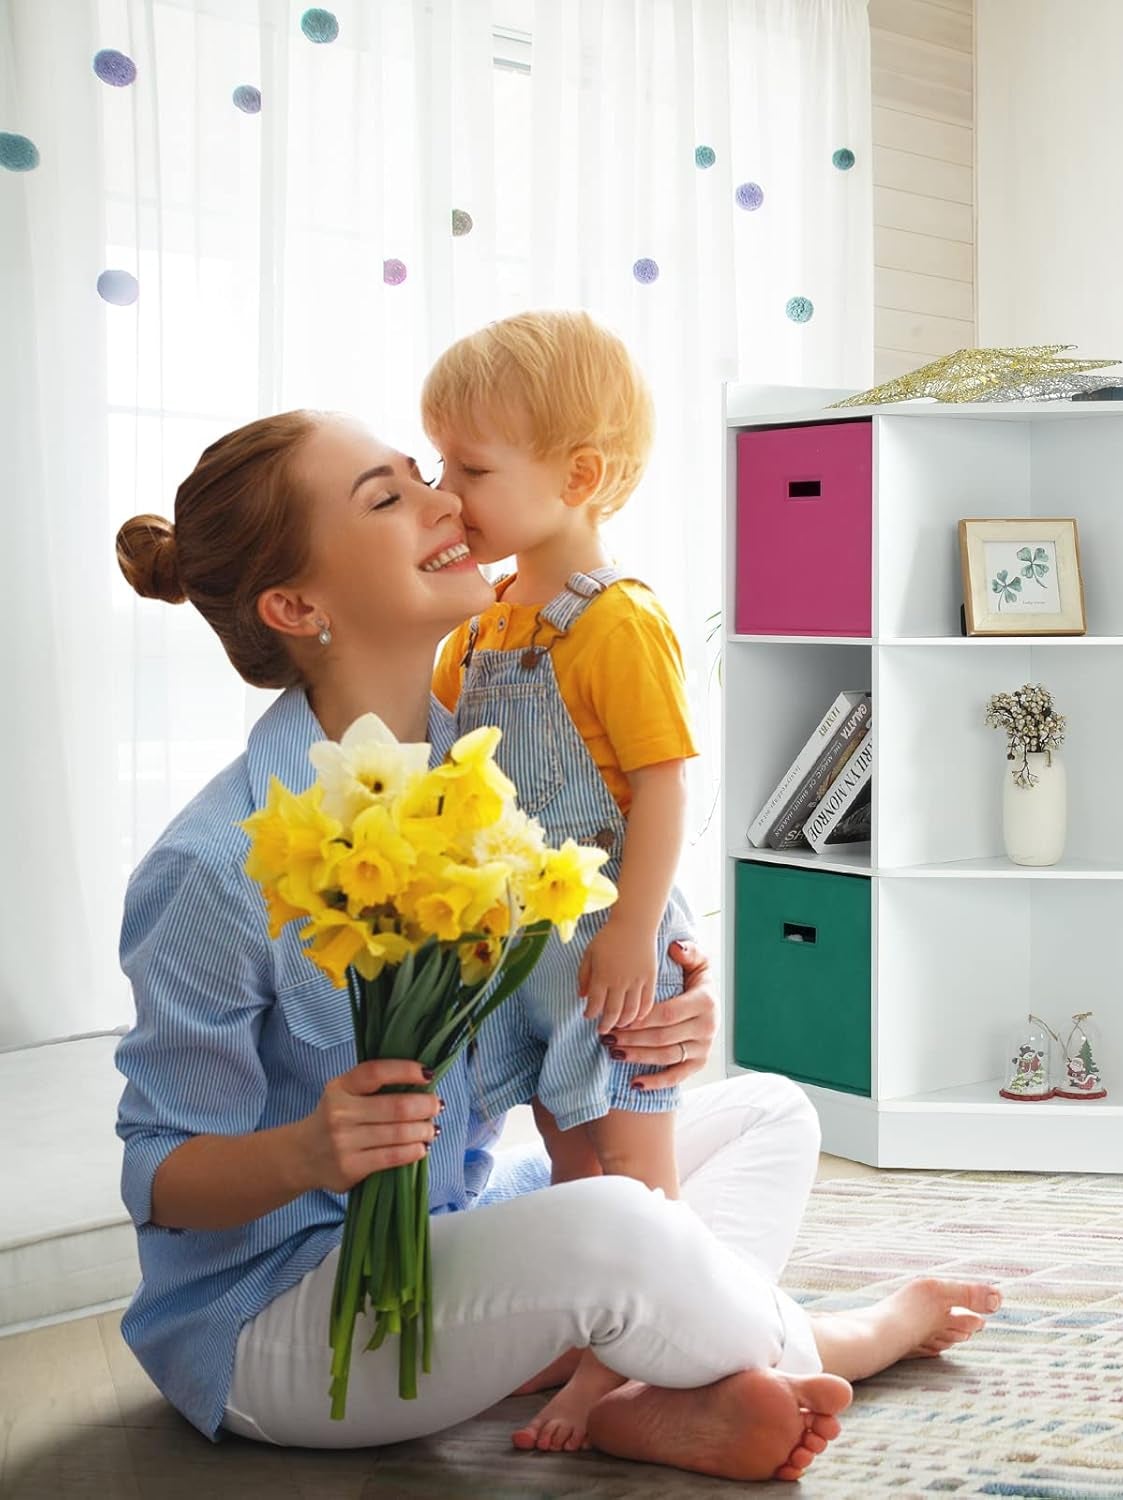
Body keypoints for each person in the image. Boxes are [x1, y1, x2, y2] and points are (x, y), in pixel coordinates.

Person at [113, 407, 1000, 1477]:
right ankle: (850, 1339)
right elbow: (161, 1173)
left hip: (462, 1219)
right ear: (298, 605)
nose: (447, 500)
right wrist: (309, 1152)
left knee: (770, 1111)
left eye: (420, 472)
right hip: (286, 1317)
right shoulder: (214, 864)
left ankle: (629, 1386)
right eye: (389, 498)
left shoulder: (502, 786)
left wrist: (656, 1016)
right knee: (619, 1227)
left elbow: (545, 1028)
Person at [424, 310, 694, 1447]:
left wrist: (634, 932)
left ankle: (647, 1352)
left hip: (602, 936)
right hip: (520, 949)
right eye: (438, 464)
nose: (447, 495)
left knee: (631, 1163)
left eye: (471, 470)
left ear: (578, 476)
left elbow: (665, 783)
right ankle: (594, 1338)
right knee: (568, 1148)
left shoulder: (616, 623)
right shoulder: (480, 630)